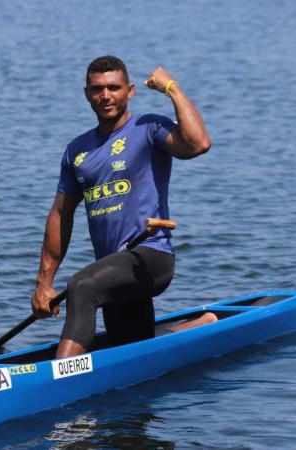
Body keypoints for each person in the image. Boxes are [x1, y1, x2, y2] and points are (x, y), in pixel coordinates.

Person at [30, 55, 216, 359]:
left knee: (82, 286)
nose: (105, 96)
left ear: (129, 91)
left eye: (114, 88)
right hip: (114, 267)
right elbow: (60, 216)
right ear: (87, 93)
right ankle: (200, 326)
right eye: (97, 89)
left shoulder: (149, 128)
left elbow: (198, 144)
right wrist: (43, 284)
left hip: (150, 256)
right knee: (132, 349)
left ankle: (59, 378)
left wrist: (172, 88)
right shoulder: (76, 151)